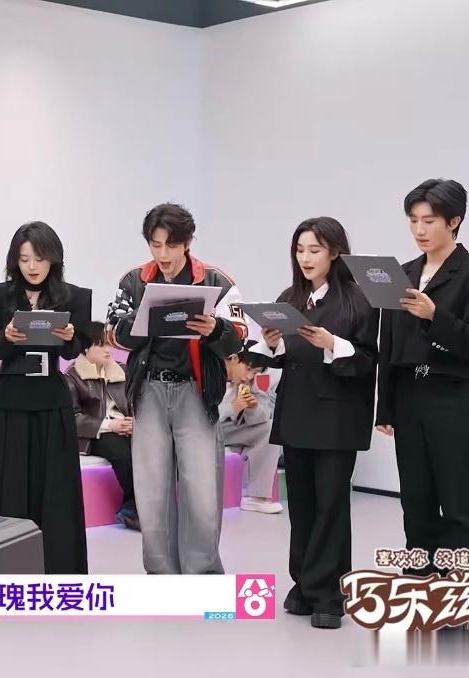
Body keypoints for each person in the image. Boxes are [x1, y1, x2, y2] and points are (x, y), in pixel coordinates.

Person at [375, 179, 469, 577]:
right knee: (415, 499)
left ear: (454, 221)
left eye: (428, 221)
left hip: (453, 400)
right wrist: (386, 406)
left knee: (457, 499)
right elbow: (388, 342)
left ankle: (459, 589)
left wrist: (435, 316)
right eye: (413, 220)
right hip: (408, 398)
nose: (419, 230)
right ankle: (418, 579)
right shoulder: (402, 273)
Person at [108, 203, 246, 575]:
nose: (163, 254)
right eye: (155, 245)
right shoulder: (134, 280)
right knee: (151, 493)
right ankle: (161, 575)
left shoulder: (215, 280)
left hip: (195, 393)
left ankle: (201, 575)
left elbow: (240, 336)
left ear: (187, 243)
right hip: (149, 392)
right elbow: (112, 330)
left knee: (201, 492)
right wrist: (143, 321)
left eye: (171, 245)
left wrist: (215, 330)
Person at [254, 217, 378, 630]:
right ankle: (305, 584)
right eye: (299, 250)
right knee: (303, 506)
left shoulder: (358, 301)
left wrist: (332, 344)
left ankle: (330, 593)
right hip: (297, 413)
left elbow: (367, 361)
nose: (305, 258)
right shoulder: (289, 298)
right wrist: (270, 343)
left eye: (314, 250)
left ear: (335, 253)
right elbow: (278, 358)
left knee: (331, 506)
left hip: (337, 419)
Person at [0, 221, 92, 574]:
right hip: (11, 399)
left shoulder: (74, 296)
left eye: (39, 259)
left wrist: (71, 336)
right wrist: (6, 336)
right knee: (8, 487)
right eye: (24, 259)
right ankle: (6, 569)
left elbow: (77, 347)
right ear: (14, 260)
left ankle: (58, 569)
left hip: (51, 400)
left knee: (56, 489)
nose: (32, 267)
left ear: (53, 259)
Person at [65, 321, 138, 530]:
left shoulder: (122, 371)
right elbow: (72, 418)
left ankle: (133, 508)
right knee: (123, 454)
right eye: (100, 344)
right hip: (95, 434)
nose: (108, 350)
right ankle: (134, 508)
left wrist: (134, 422)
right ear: (85, 348)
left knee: (154, 450)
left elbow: (138, 402)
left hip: (126, 428)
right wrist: (109, 425)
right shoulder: (72, 377)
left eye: (108, 344)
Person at [217, 341, 282, 514]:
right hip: (205, 431)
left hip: (230, 432)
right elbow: (200, 414)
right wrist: (233, 408)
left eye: (254, 373)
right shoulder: (211, 373)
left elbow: (265, 413)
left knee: (269, 429)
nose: (249, 376)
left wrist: (253, 408)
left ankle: (255, 496)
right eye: (248, 369)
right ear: (234, 359)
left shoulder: (248, 383)